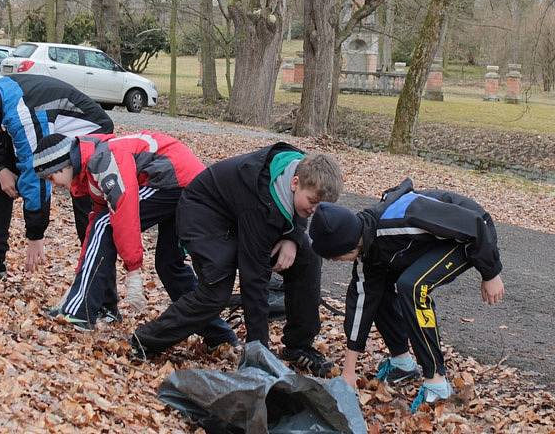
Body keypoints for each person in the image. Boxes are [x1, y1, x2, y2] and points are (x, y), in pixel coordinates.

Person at [131, 143, 343, 372]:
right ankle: (144, 341)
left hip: (238, 219)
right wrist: (258, 351)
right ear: (295, 182)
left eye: (320, 205)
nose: (314, 210)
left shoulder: (303, 168)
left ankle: (299, 345)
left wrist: (293, 235)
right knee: (215, 293)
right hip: (203, 216)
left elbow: (301, 209)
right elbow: (254, 279)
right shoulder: (260, 200)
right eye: (313, 202)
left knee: (308, 255)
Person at [307, 178, 505, 413]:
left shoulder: (401, 221)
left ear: (349, 247)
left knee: (412, 286)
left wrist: (490, 272)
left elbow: (473, 225)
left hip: (471, 235)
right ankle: (402, 362)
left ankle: (437, 383)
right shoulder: (365, 248)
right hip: (435, 241)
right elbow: (361, 303)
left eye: (336, 258)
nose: (337, 262)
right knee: (376, 291)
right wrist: (348, 373)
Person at [31, 131, 238, 350]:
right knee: (169, 265)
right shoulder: (92, 167)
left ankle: (80, 311)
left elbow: (123, 209)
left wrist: (134, 271)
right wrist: (76, 283)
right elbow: (96, 231)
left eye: (50, 177)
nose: (53, 184)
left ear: (63, 165)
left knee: (107, 224)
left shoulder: (103, 159)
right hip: (185, 183)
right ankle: (219, 335)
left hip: (176, 180)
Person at [0, 74, 114, 279]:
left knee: (86, 210)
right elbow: (5, 134)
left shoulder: (24, 116)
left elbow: (37, 176)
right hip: (51, 135)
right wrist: (1, 167)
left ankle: (101, 298)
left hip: (92, 135)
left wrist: (35, 235)